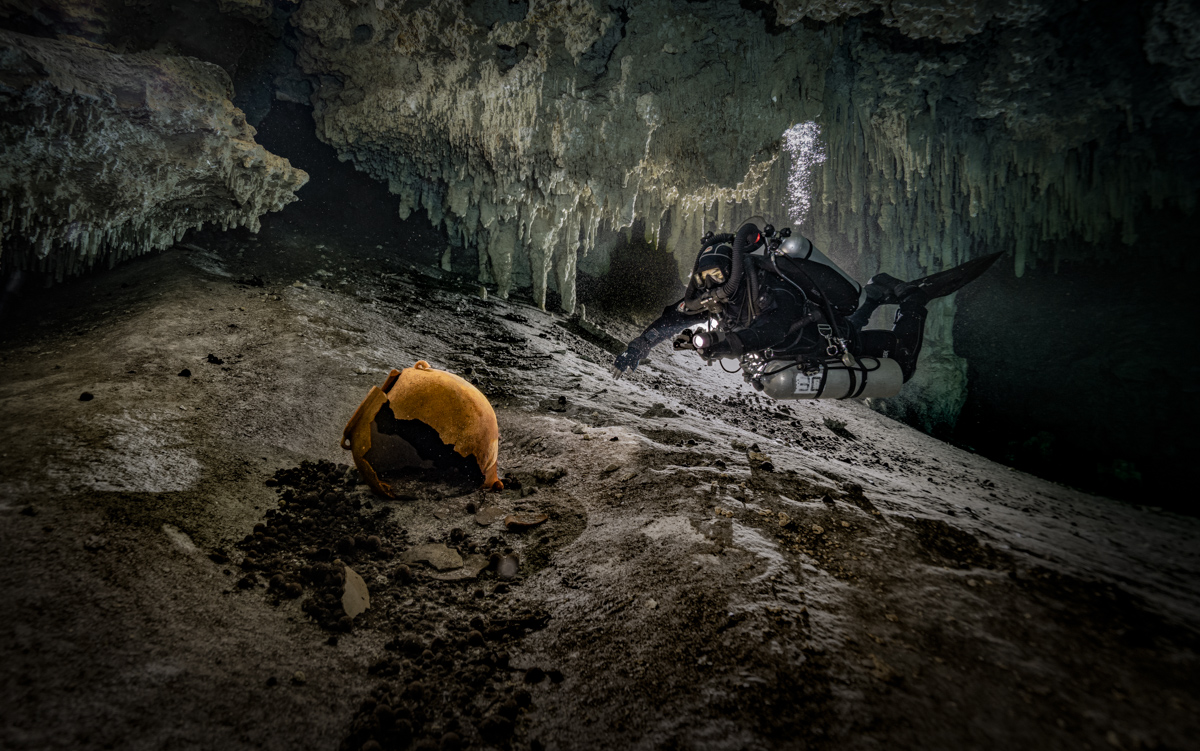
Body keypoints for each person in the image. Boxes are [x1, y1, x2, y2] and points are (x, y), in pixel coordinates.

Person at [612, 221, 999, 390]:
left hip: (825, 340)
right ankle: (875, 293)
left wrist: (729, 345)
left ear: (735, 271)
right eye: (706, 285)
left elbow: (775, 328)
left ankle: (912, 302)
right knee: (850, 324)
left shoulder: (770, 290)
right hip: (806, 344)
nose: (712, 295)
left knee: (903, 367)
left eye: (717, 285)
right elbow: (674, 318)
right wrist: (639, 346)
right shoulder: (717, 292)